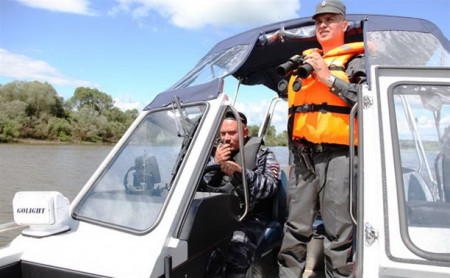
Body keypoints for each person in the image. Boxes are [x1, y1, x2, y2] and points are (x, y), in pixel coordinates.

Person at [277, 0, 366, 277]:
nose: (323, 25)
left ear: (344, 24)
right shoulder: (304, 61)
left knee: (339, 233)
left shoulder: (355, 61)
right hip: (303, 158)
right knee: (295, 228)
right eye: (318, 21)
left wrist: (327, 77)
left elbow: (365, 103)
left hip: (339, 155)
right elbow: (295, 112)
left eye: (330, 19)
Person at [203, 111, 281, 277]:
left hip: (252, 215)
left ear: (244, 132)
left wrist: (243, 173)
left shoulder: (263, 154)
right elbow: (198, 185)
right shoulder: (211, 154)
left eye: (232, 133)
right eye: (223, 133)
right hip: (220, 213)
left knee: (237, 247)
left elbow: (271, 186)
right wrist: (214, 163)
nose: (226, 138)